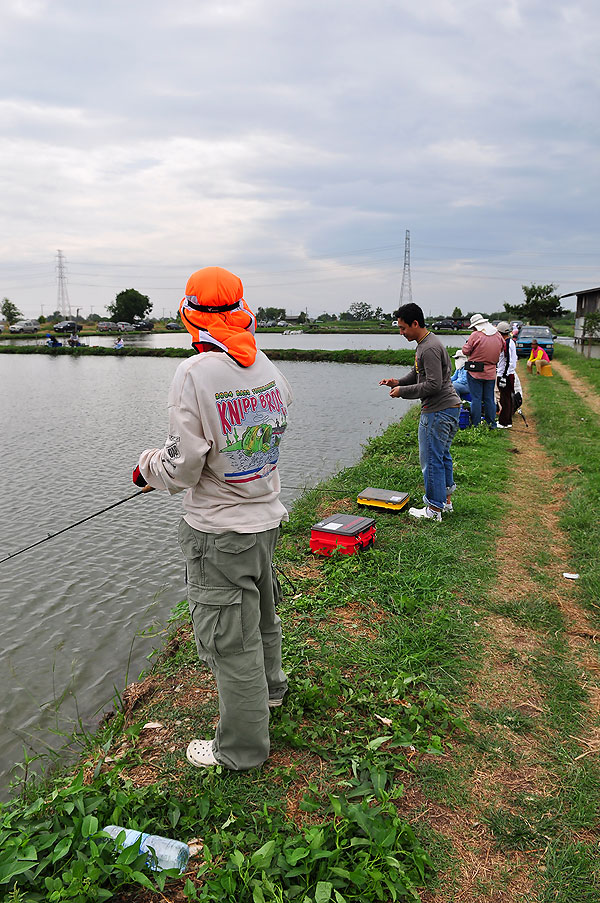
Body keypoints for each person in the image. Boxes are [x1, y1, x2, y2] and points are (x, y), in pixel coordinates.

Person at [133, 266, 292, 771]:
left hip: (219, 533)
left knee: (229, 640)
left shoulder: (194, 374)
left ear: (190, 316)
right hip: (265, 519)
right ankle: (270, 694)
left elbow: (182, 469)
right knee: (262, 615)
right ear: (242, 313)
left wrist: (145, 468)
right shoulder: (266, 366)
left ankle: (241, 751)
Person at [379, 302, 461, 522]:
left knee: (431, 459)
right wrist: (397, 382)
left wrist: (402, 392)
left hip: (438, 411)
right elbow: (418, 374)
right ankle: (445, 502)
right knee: (442, 456)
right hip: (448, 408)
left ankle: (433, 510)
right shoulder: (426, 343)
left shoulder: (429, 348)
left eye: (403, 328)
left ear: (415, 323)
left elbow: (433, 385)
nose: (401, 332)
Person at [462, 314, 505, 428]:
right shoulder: (498, 335)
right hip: (491, 372)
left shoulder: (475, 335)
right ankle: (491, 424)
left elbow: (466, 351)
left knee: (476, 398)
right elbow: (502, 348)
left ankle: (476, 424)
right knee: (489, 398)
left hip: (475, 371)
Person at [495, 321, 517, 428]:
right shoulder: (511, 342)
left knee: (504, 398)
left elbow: (509, 361)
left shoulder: (506, 343)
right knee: (507, 397)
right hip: (508, 374)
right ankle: (507, 421)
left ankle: (503, 422)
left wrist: (504, 375)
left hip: (505, 374)